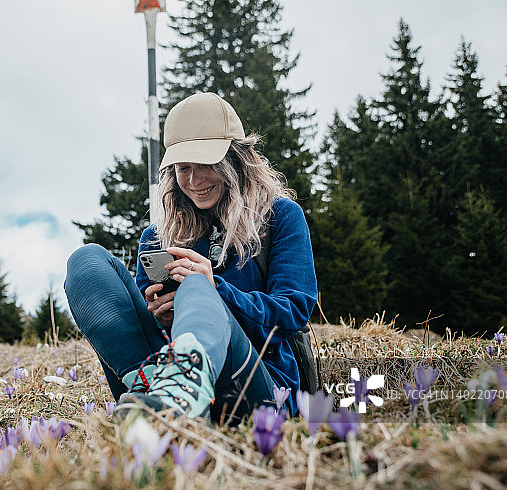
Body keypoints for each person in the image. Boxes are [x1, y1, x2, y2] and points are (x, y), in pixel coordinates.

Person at [64, 92, 317, 423]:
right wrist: (161, 316)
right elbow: (146, 327)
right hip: (161, 381)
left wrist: (215, 292)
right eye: (183, 168)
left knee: (197, 286)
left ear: (237, 159)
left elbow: (293, 312)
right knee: (86, 262)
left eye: (207, 165)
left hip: (255, 385)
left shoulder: (280, 217)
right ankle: (157, 393)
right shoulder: (156, 238)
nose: (195, 181)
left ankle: (182, 395)